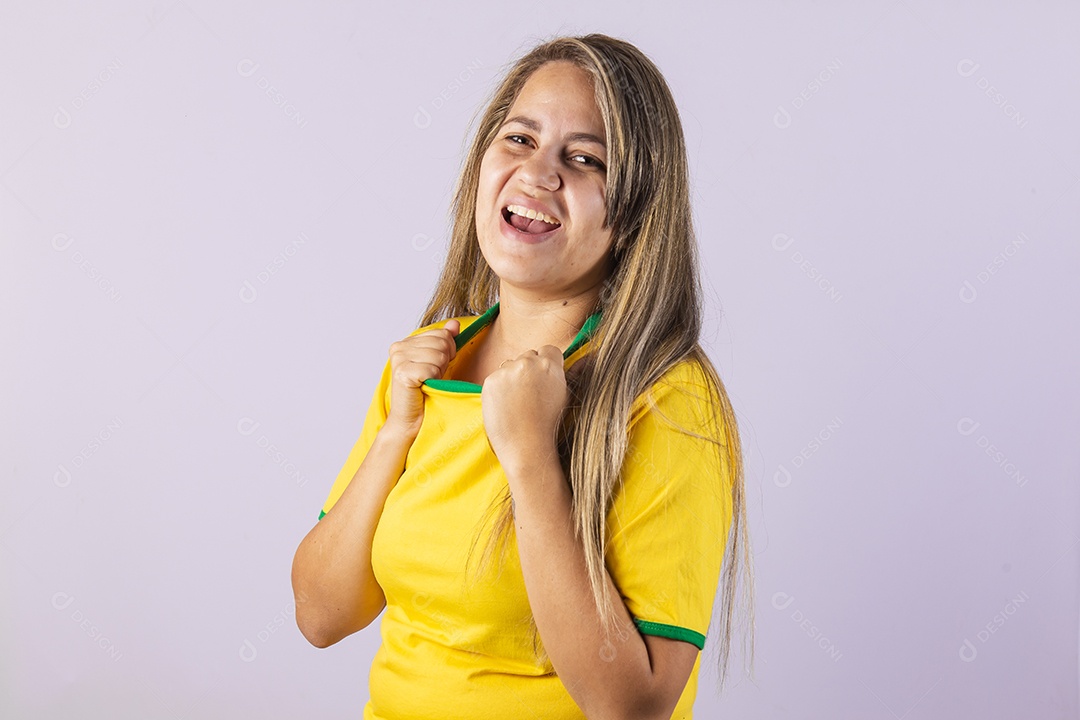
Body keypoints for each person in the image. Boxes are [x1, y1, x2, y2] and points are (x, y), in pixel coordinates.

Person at [291, 33, 754, 719]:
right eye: (519, 139)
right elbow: (321, 616)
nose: (538, 174)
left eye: (584, 158)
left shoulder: (669, 400)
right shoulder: (429, 367)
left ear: (629, 213)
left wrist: (532, 458)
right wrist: (396, 432)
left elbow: (633, 708)